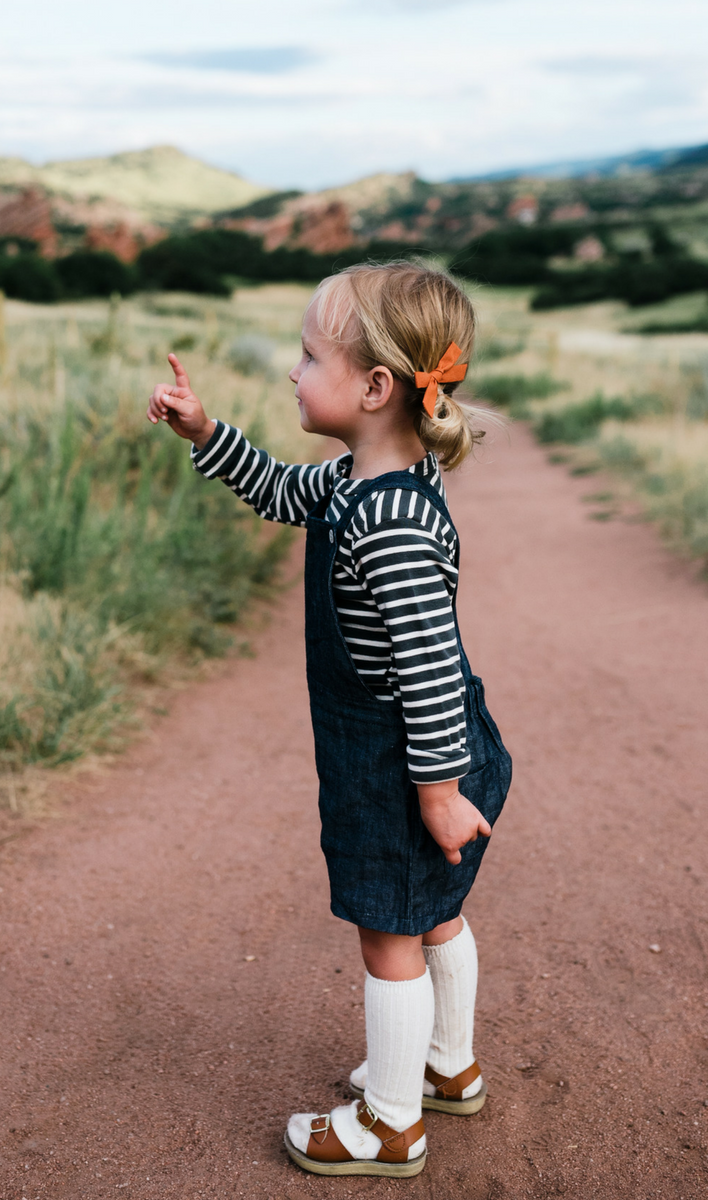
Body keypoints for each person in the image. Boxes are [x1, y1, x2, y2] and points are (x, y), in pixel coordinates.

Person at [146, 262, 512, 1179]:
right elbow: (276, 489)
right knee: (433, 916)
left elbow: (429, 672)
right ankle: (446, 1064)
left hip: (405, 764)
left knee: (390, 930)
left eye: (311, 356)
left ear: (376, 387)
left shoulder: (385, 523)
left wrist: (435, 792)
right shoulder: (358, 481)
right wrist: (206, 433)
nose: (294, 372)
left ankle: (391, 1123)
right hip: (419, 754)